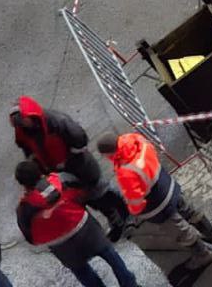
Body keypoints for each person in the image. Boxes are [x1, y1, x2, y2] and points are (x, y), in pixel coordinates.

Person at [96, 132, 212, 270]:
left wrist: (135, 212)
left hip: (159, 204)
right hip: (168, 185)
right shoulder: (137, 140)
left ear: (110, 154)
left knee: (180, 230)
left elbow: (135, 202)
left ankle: (203, 255)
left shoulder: (125, 172)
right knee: (189, 211)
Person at [13, 160, 139, 287]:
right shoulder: (60, 181)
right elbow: (84, 194)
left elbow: (30, 237)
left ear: (23, 184)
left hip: (61, 246)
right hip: (84, 228)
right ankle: (129, 283)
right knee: (108, 252)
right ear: (40, 172)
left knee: (81, 270)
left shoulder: (24, 209)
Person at [9, 96, 126, 231]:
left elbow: (79, 139)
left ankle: (122, 214)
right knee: (85, 197)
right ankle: (116, 218)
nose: (23, 124)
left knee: (99, 193)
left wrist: (68, 161)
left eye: (24, 120)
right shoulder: (23, 131)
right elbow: (28, 150)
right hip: (58, 172)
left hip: (79, 167)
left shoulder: (56, 122)